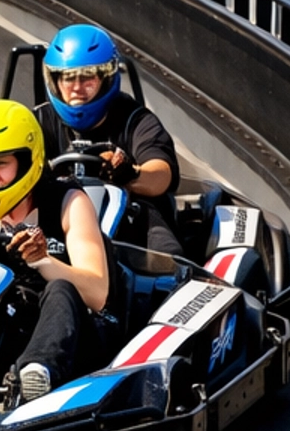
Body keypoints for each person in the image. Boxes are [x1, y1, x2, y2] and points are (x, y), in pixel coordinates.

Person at [0, 100, 121, 406]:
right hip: (11, 326)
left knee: (60, 288)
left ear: (27, 161)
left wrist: (43, 261)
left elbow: (97, 291)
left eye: (0, 164)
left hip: (76, 335)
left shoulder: (69, 204)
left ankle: (38, 374)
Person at [35, 22, 183, 257]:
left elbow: (162, 174)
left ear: (106, 78)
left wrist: (129, 173)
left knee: (166, 252)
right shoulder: (37, 122)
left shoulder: (136, 120)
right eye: (67, 78)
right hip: (58, 219)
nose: (76, 88)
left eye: (87, 78)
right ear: (54, 81)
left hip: (129, 221)